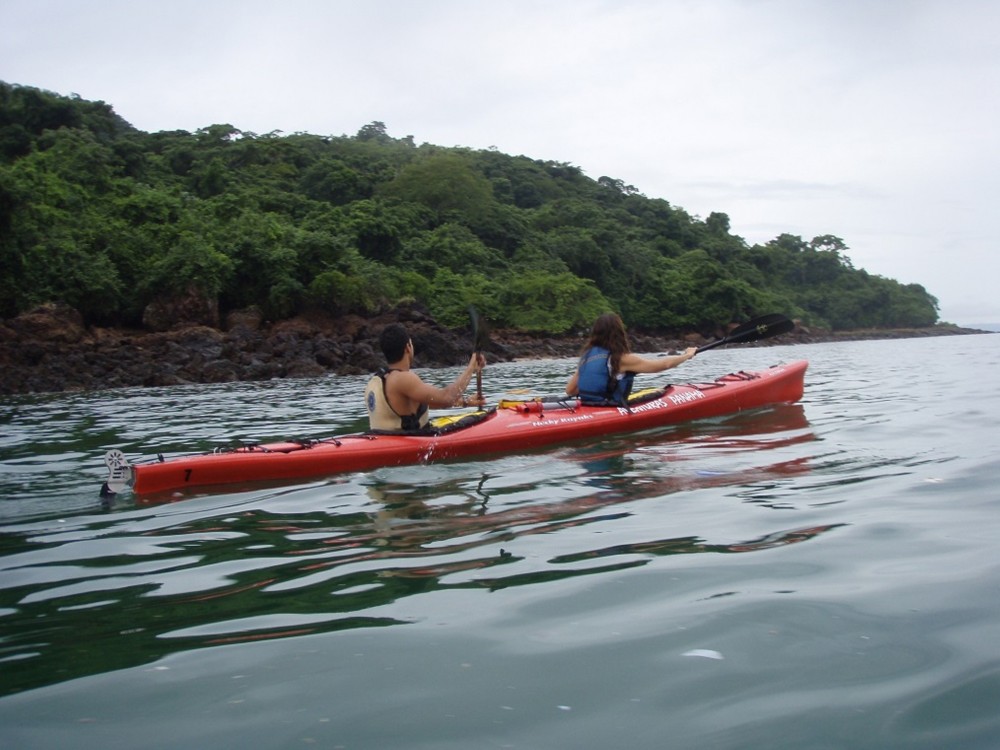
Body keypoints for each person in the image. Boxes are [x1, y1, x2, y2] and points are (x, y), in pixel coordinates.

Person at [366, 323, 486, 431]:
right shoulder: (403, 379)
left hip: (384, 440)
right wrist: (471, 367)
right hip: (410, 443)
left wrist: (465, 402)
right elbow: (446, 397)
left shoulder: (379, 380)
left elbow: (428, 402)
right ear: (408, 347)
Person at [566, 312, 698, 406]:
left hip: (587, 405)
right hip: (609, 407)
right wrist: (686, 355)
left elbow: (570, 390)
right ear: (619, 332)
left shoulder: (587, 356)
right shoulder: (621, 358)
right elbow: (664, 364)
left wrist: (595, 388)